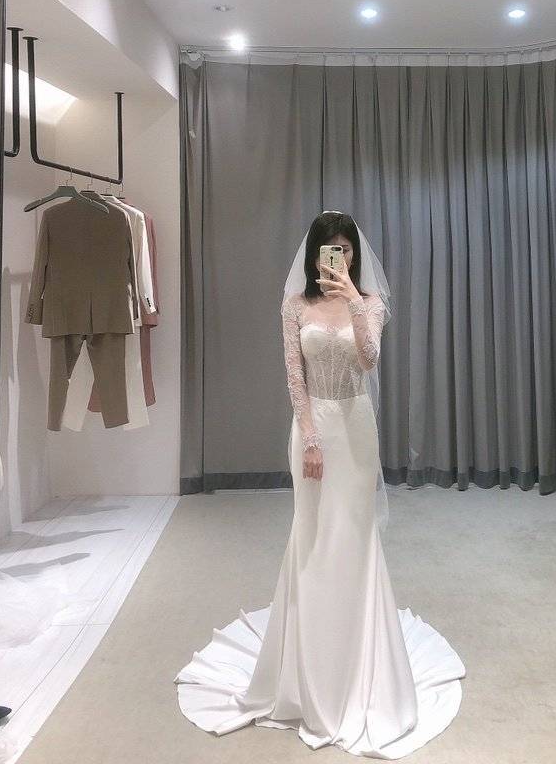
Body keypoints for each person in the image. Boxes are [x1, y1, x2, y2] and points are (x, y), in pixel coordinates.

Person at [174, 211, 466, 757]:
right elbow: (294, 374)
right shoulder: (294, 305)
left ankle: (358, 655)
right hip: (313, 429)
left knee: (352, 535)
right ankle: (305, 665)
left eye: (346, 249)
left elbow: (369, 359)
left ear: (354, 255)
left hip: (356, 429)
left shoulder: (371, 303)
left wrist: (353, 299)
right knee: (311, 534)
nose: (338, 258)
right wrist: (309, 436)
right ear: (313, 254)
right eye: (329, 249)